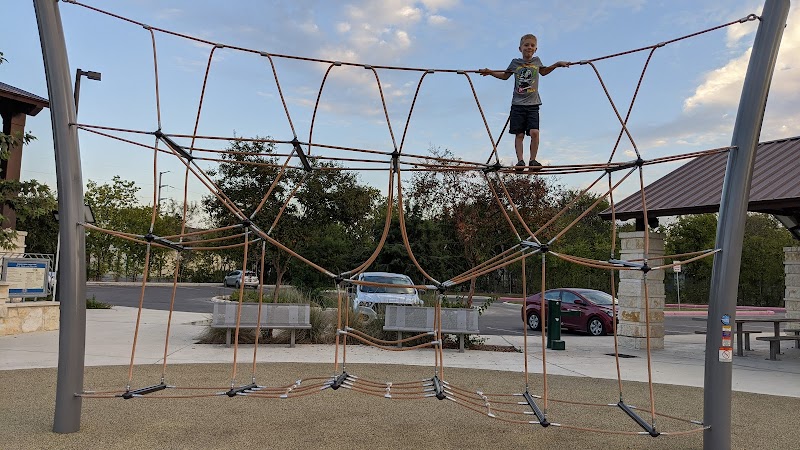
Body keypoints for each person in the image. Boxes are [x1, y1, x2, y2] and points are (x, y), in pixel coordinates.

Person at [480, 34, 568, 172]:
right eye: (526, 45)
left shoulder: (537, 61)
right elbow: (504, 76)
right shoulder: (515, 63)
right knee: (519, 134)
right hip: (518, 105)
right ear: (520, 48)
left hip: (533, 104)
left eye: (532, 45)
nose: (529, 47)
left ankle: (532, 160)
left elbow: (544, 72)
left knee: (534, 132)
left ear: (536, 49)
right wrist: (490, 72)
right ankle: (520, 161)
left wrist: (556, 64)